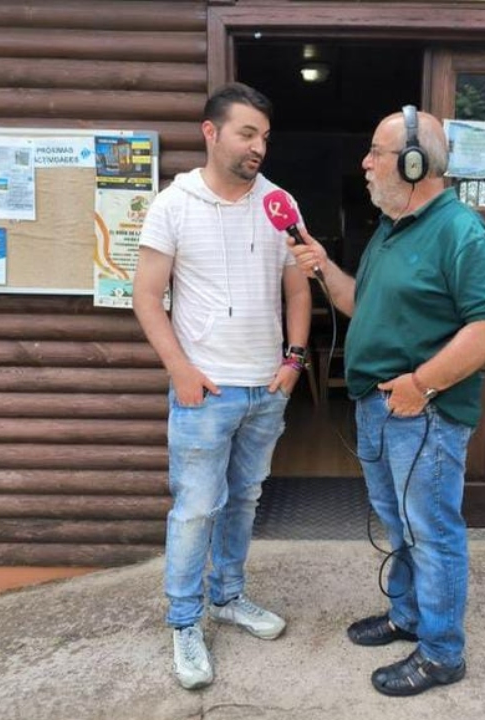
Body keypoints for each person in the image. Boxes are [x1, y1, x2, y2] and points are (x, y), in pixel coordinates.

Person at [287, 106, 485, 696]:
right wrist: (322, 265)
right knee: (400, 525)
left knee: (432, 531)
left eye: (376, 152)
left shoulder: (461, 232)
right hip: (377, 406)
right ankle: (408, 617)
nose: (365, 163)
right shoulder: (391, 230)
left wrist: (423, 384)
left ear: (415, 164)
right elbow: (362, 306)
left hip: (425, 415)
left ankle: (442, 653)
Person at [133, 83, 312, 691]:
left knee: (245, 500)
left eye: (264, 135)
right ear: (211, 133)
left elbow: (296, 288)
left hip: (266, 387)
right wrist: (180, 370)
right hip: (204, 392)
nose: (258, 146)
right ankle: (185, 621)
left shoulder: (279, 203)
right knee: (194, 511)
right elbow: (145, 296)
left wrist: (293, 362)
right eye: (246, 133)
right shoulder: (173, 204)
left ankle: (229, 597)